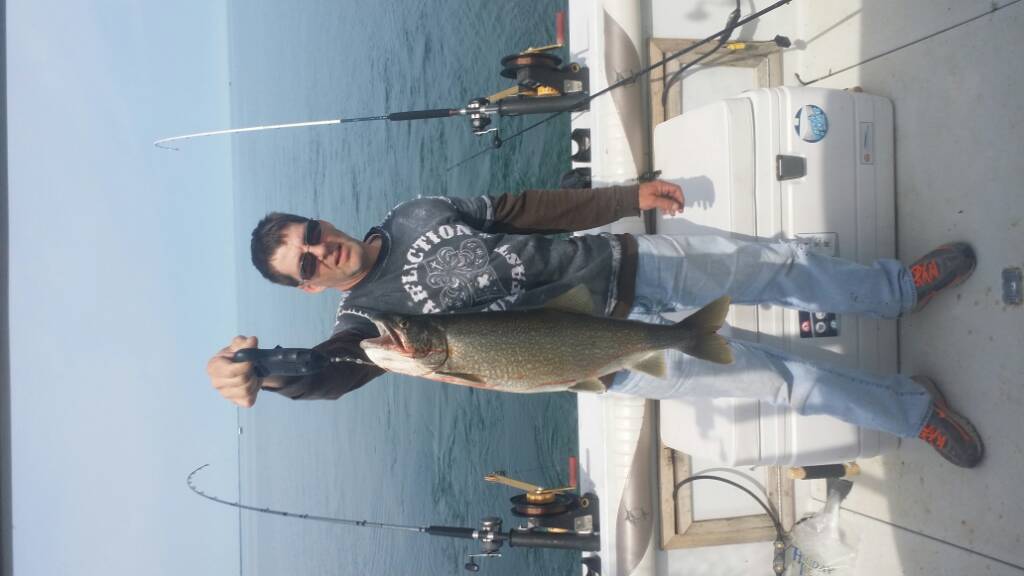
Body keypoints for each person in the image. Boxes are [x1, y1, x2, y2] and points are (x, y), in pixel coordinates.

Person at [206, 181, 984, 468]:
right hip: (599, 358)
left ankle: (895, 291)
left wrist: (624, 197)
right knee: (782, 381)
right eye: (306, 263)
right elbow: (334, 370)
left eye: (312, 235)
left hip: (626, 265)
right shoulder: (366, 321)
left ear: (323, 221)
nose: (321, 251)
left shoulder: (413, 212)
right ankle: (914, 411)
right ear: (307, 287)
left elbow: (525, 208)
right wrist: (267, 373)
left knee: (773, 267)